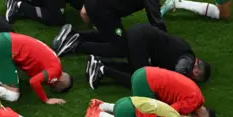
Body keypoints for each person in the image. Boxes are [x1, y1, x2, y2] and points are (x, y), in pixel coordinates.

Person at [52, 0, 178, 58]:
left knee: (115, 34)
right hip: (103, 11)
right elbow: (154, 16)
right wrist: (165, 39)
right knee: (121, 47)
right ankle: (74, 46)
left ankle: (74, 35)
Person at [56, 24, 212, 86]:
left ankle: (78, 43)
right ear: (197, 72)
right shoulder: (189, 60)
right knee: (140, 80)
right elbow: (179, 73)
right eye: (195, 79)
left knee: (117, 50)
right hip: (143, 40)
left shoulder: (186, 53)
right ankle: (102, 69)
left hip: (142, 34)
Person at [0, 32, 73, 104]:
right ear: (60, 83)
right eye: (55, 88)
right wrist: (46, 99)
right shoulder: (54, 71)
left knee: (3, 79)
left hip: (3, 39)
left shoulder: (56, 62)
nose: (51, 87)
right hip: (5, 47)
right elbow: (34, 82)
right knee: (13, 95)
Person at [87, 68, 217, 117]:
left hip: (145, 74)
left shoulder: (198, 97)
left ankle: (101, 106)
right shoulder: (193, 103)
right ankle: (100, 115)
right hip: (147, 83)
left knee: (140, 113)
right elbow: (167, 112)